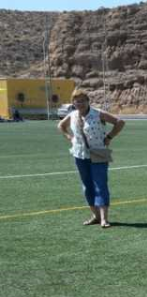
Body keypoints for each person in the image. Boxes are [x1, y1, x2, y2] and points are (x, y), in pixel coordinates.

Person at [58, 89, 125, 228]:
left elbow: (120, 122)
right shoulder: (72, 115)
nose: (80, 103)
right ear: (73, 103)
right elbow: (61, 126)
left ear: (88, 101)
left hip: (98, 153)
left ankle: (104, 219)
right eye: (77, 101)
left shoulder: (98, 113)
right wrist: (69, 137)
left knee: (100, 185)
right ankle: (95, 215)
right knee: (87, 186)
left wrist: (109, 137)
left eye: (83, 100)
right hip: (79, 154)